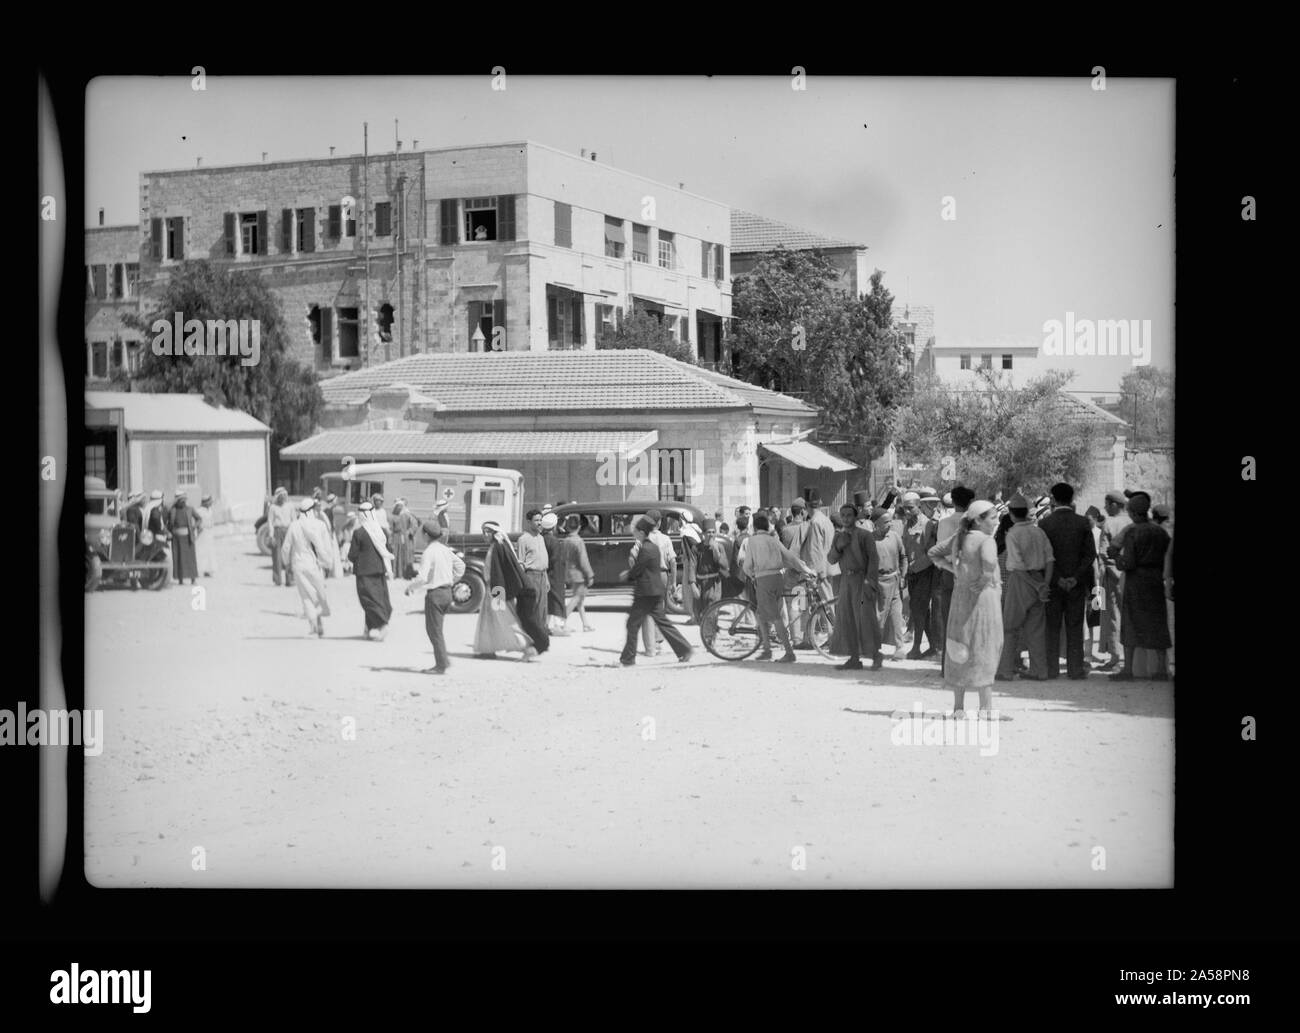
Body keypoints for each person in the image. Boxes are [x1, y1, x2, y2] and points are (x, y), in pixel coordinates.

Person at [943, 500, 1003, 717]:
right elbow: (988, 562)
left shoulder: (960, 539)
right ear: (979, 520)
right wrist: (986, 576)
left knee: (959, 647)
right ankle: (985, 708)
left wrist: (958, 573)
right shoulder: (987, 540)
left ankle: (958, 707)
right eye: (993, 517)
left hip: (960, 598)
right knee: (985, 647)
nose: (996, 522)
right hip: (983, 600)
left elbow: (936, 554)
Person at [1109, 493, 1172, 681]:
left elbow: (1128, 563)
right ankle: (1161, 669)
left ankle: (1128, 669)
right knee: (1157, 624)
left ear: (1133, 513)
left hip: (1136, 581)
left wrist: (1115, 557)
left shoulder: (1133, 532)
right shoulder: (1161, 532)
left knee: (1130, 623)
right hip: (1155, 581)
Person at [1038, 482, 1096, 680]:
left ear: (1053, 498)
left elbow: (1042, 557)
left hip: (1054, 583)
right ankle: (1075, 669)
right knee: (1075, 626)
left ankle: (1052, 668)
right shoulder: (1083, 522)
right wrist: (1075, 577)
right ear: (1072, 499)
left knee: (1052, 627)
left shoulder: (1045, 523)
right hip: (1076, 584)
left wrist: (1057, 578)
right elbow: (1090, 555)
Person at [741, 511, 814, 663]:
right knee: (762, 615)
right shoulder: (773, 539)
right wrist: (806, 569)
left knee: (775, 618)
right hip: (778, 578)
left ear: (754, 527)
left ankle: (789, 652)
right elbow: (790, 557)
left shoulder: (752, 541)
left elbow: (747, 565)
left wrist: (752, 575)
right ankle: (766, 648)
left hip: (763, 579)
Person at [618, 517, 693, 666]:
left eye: (636, 531)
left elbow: (638, 569)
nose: (634, 533)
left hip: (646, 592)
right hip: (654, 590)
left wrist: (627, 575)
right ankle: (684, 649)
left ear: (641, 532)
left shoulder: (645, 548)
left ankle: (628, 658)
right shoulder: (651, 546)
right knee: (663, 623)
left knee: (632, 624)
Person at [996, 494, 1054, 681]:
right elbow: (1050, 559)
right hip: (1039, 577)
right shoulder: (1039, 532)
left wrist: (1036, 585)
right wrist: (1044, 584)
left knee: (1009, 627)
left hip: (1020, 581)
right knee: (1036, 629)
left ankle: (1005, 670)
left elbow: (1017, 565)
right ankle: (1039, 670)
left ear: (1012, 514)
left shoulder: (1013, 534)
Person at [475, 522, 545, 659]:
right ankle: (488, 649)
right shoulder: (495, 547)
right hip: (493, 589)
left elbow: (500, 573)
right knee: (490, 620)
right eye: (483, 532)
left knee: (505, 619)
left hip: (497, 590)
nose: (485, 535)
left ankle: (527, 647)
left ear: (495, 533)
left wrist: (498, 594)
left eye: (488, 532)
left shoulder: (499, 547)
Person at [827, 503, 883, 670]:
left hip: (862, 580)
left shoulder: (865, 535)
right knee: (847, 619)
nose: (845, 518)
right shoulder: (838, 537)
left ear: (856, 516)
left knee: (865, 619)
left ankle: (876, 655)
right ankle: (854, 658)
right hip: (846, 581)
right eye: (842, 515)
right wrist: (839, 546)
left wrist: (870, 581)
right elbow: (831, 559)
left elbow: (874, 559)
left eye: (849, 515)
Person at [404, 520, 465, 674]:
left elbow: (422, 577)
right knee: (437, 629)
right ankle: (443, 660)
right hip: (447, 592)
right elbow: (461, 566)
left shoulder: (428, 552)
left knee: (434, 631)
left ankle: (441, 664)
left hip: (435, 594)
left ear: (425, 535)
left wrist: (410, 587)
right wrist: (451, 580)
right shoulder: (445, 549)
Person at [929, 485, 974, 673]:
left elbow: (940, 549)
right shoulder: (974, 523)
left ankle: (947, 667)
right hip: (970, 573)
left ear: (953, 502)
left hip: (949, 572)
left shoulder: (945, 522)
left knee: (948, 617)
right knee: (969, 619)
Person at [280, 496, 333, 636]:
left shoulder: (294, 525)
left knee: (306, 596)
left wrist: (285, 563)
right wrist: (328, 563)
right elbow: (327, 547)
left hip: (299, 564)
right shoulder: (320, 525)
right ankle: (319, 620)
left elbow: (286, 548)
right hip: (316, 565)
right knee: (318, 594)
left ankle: (314, 625)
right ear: (311, 510)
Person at [900, 491, 940, 658]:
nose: (907, 512)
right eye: (905, 509)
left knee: (918, 609)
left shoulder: (928, 525)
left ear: (919, 506)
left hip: (924, 572)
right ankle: (933, 646)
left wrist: (914, 567)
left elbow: (931, 553)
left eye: (910, 508)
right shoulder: (907, 524)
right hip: (911, 573)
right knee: (920, 610)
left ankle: (916, 647)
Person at [349, 502, 394, 641]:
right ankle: (367, 630)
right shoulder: (382, 531)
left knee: (368, 600)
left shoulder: (359, 533)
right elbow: (388, 550)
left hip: (364, 572)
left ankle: (382, 625)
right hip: (379, 571)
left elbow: (353, 554)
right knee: (378, 598)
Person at [1097, 490, 1131, 671]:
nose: (1104, 507)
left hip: (1113, 575)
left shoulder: (1109, 524)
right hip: (1131, 575)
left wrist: (1115, 571)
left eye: (1107, 504)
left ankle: (1116, 657)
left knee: (1113, 616)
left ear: (1114, 505)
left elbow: (1104, 553)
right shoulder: (1132, 522)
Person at [871, 505, 909, 660]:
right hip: (878, 584)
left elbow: (903, 557)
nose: (890, 524)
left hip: (895, 581)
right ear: (876, 524)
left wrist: (903, 576)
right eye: (885, 522)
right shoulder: (869, 540)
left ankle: (900, 649)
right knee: (879, 618)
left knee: (896, 616)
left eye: (890, 521)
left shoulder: (895, 537)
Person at [516, 509, 551, 635]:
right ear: (529, 522)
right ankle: (530, 633)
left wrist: (546, 578)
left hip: (542, 575)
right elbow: (520, 562)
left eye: (540, 520)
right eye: (536, 520)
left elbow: (542, 561)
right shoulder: (523, 539)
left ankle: (541, 632)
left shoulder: (541, 538)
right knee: (532, 607)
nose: (539, 523)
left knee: (542, 607)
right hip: (530, 576)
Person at [560, 514, 596, 632]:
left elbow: (563, 559)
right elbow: (583, 561)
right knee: (577, 598)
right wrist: (589, 575)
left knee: (580, 601)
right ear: (579, 527)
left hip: (569, 572)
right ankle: (562, 621)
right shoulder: (579, 541)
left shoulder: (565, 541)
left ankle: (585, 624)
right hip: (579, 574)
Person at [540, 512, 569, 635]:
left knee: (547, 602)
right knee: (557, 600)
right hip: (555, 575)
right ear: (554, 526)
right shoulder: (554, 542)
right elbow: (556, 561)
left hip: (544, 574)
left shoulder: (540, 539)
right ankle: (558, 626)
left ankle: (544, 625)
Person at [694, 517, 731, 609]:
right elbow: (692, 566)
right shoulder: (697, 548)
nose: (711, 535)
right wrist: (692, 584)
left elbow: (725, 566)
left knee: (712, 611)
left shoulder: (720, 547)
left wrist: (716, 552)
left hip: (714, 584)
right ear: (703, 533)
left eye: (713, 532)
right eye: (709, 532)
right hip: (700, 584)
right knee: (700, 613)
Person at [166, 489, 199, 585]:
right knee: (178, 558)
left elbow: (199, 519)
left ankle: (193, 579)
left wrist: (193, 527)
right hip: (176, 539)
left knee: (190, 559)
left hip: (188, 538)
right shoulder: (172, 510)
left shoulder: (190, 509)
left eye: (184, 500)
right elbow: (167, 518)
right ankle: (180, 579)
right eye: (180, 500)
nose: (183, 502)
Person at [268, 487, 295, 587]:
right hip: (277, 531)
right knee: (276, 557)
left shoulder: (290, 506)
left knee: (289, 555)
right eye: (281, 495)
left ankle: (290, 579)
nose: (283, 497)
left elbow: (294, 520)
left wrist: (294, 533)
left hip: (288, 530)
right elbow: (270, 521)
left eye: (284, 495)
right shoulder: (273, 507)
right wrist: (271, 535)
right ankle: (277, 580)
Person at [390, 498, 418, 580]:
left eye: (401, 506)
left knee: (405, 555)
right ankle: (396, 573)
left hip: (406, 538)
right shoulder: (394, 516)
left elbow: (415, 524)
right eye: (398, 506)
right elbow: (391, 528)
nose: (399, 508)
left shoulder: (408, 514)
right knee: (397, 554)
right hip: (397, 537)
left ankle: (405, 573)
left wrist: (410, 531)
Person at [195, 494, 218, 576]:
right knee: (201, 551)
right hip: (202, 533)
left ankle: (208, 570)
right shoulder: (199, 510)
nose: (211, 503)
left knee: (210, 552)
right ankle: (199, 570)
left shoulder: (210, 510)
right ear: (205, 502)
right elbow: (197, 522)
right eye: (209, 502)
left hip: (209, 532)